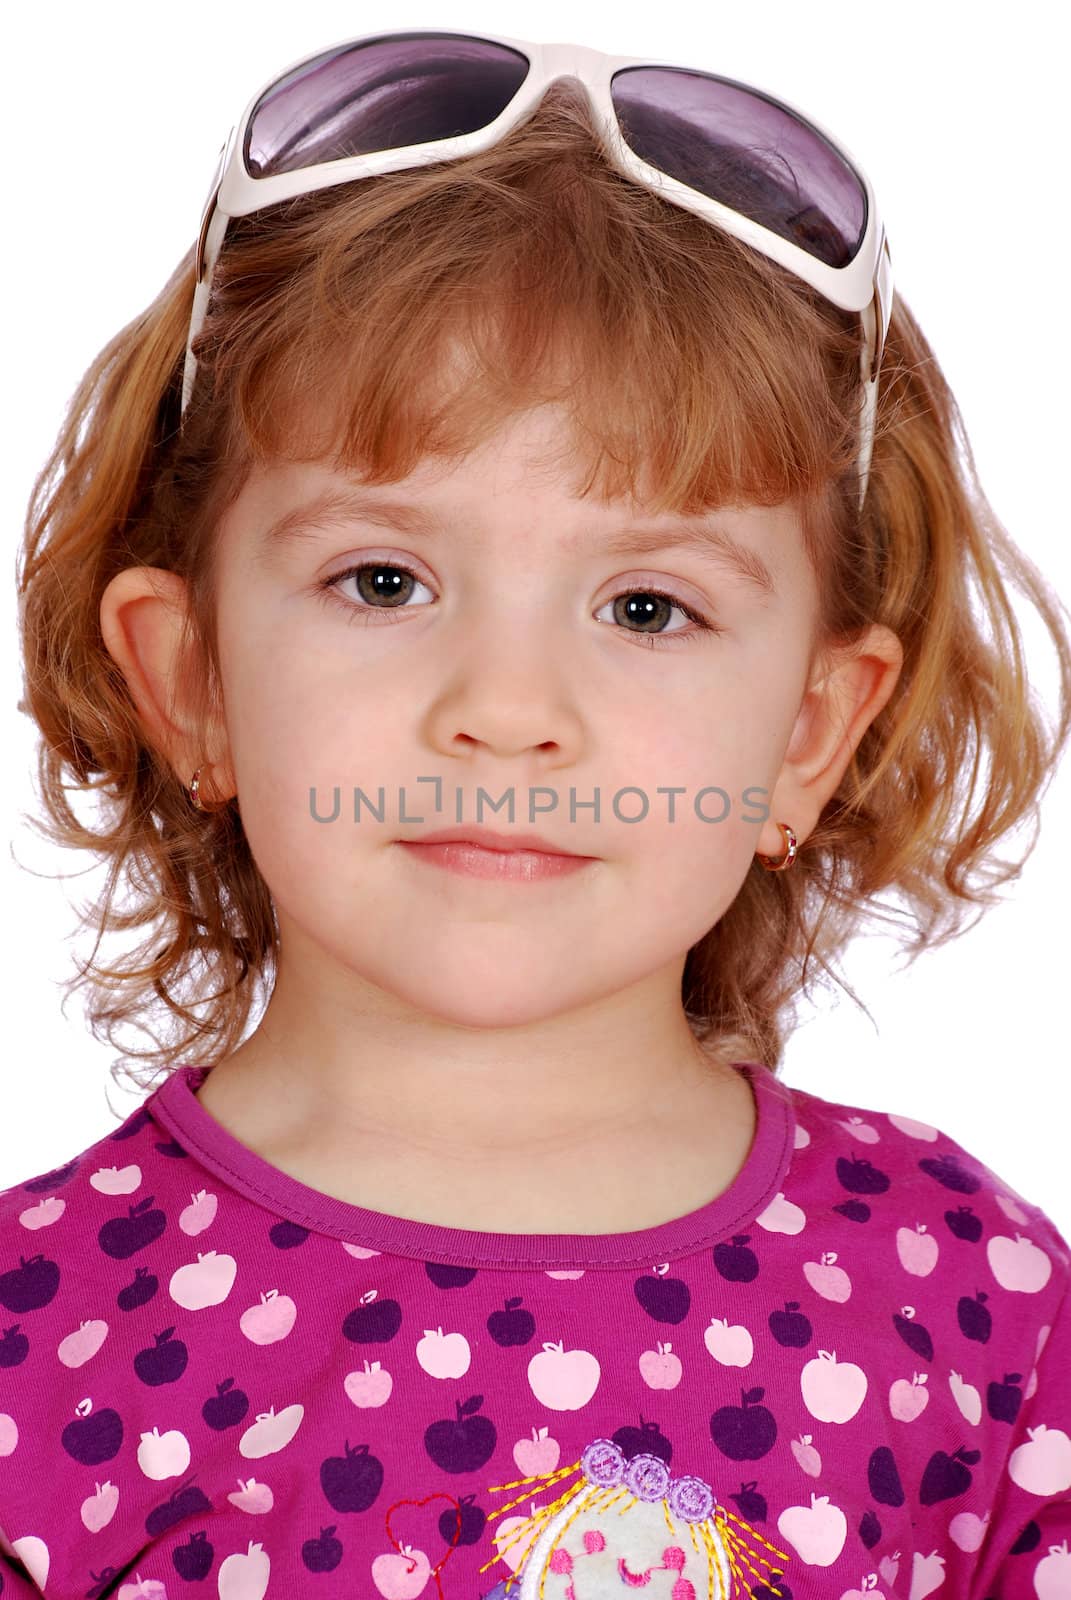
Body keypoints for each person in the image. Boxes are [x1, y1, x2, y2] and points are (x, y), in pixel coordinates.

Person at [5, 30, 1070, 1600]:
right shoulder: (45, 1345)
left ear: (808, 733)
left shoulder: (971, 1309)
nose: (507, 708)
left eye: (646, 606)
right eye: (385, 580)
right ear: (195, 682)